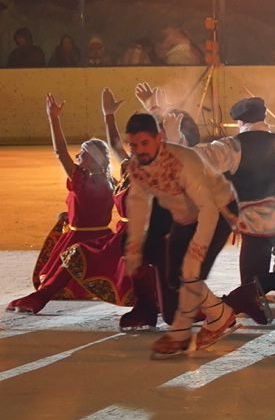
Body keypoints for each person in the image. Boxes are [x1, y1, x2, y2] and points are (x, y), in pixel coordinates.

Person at [119, 112, 244, 358]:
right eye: (133, 145)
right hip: (186, 217)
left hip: (218, 211)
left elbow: (208, 208)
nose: (139, 150)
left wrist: (197, 249)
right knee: (176, 277)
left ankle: (180, 334)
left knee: (189, 271)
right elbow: (137, 203)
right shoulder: (137, 166)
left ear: (160, 138)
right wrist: (134, 246)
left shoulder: (184, 161)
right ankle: (220, 314)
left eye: (145, 143)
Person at [7, 94, 132, 314]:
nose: (77, 156)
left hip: (78, 238)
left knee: (66, 269)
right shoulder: (111, 181)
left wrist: (53, 119)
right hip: (103, 237)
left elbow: (60, 152)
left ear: (93, 159)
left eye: (82, 154)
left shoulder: (81, 181)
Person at [189, 96, 275, 320]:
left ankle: (251, 296)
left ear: (240, 122)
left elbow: (198, 161)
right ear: (263, 117)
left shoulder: (232, 145)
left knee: (255, 255)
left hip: (256, 216)